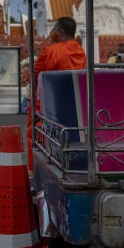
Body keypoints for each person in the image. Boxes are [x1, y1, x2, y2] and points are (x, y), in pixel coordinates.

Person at [29, 16, 87, 168]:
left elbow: (36, 79)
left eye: (54, 29)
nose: (51, 32)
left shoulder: (50, 51)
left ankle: (36, 170)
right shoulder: (81, 52)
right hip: (73, 105)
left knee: (38, 137)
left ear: (60, 32)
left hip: (48, 105)